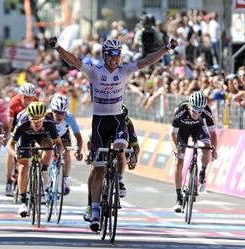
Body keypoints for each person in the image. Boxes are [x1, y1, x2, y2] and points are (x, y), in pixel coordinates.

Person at [48, 36, 178, 232]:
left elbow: (146, 61)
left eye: (118, 55)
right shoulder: (94, 72)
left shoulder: (124, 71)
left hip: (117, 119)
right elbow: (74, 61)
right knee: (99, 170)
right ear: (105, 56)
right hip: (99, 122)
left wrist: (166, 48)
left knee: (120, 149)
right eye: (112, 55)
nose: (115, 59)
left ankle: (118, 178)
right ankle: (95, 211)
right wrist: (57, 47)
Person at [83, 104, 140, 221]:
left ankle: (118, 180)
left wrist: (135, 158)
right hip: (103, 141)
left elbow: (135, 145)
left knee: (121, 152)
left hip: (117, 146)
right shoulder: (103, 119)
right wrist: (89, 155)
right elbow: (89, 142)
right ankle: (91, 205)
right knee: (95, 170)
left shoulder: (127, 123)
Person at [6, 101, 63, 217]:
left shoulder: (49, 122)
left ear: (44, 118)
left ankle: (44, 170)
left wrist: (58, 153)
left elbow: (59, 144)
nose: (37, 124)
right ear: (29, 118)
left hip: (42, 136)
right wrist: (15, 154)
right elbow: (10, 144)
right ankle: (22, 202)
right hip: (25, 137)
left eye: (40, 120)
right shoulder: (23, 122)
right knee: (23, 166)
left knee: (49, 145)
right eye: (34, 120)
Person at [170, 91, 218, 213]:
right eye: (194, 110)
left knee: (207, 147)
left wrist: (214, 149)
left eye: (199, 111)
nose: (197, 113)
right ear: (189, 106)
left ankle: (202, 172)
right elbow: (172, 133)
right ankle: (179, 198)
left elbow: (212, 133)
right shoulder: (181, 110)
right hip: (182, 132)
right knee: (178, 161)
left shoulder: (206, 111)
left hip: (198, 129)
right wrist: (175, 148)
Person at [5, 83, 38, 196]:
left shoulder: (37, 102)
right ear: (20, 95)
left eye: (30, 98)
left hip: (30, 125)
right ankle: (9, 180)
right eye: (25, 98)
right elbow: (10, 122)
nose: (28, 100)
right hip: (16, 124)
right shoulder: (14, 102)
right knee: (11, 150)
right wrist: (8, 135)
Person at [46, 94, 83, 195]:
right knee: (45, 152)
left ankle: (65, 181)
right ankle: (44, 175)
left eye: (62, 113)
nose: (60, 116)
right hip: (49, 136)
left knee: (66, 152)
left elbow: (78, 136)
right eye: (57, 113)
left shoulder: (70, 117)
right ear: (52, 110)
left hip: (63, 135)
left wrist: (79, 150)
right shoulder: (46, 116)